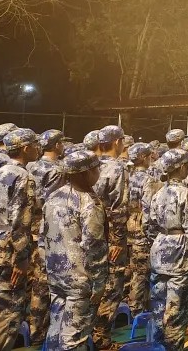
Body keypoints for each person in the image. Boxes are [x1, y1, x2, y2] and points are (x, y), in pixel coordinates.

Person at [0, 127, 39, 351]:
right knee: (7, 312)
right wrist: (21, 257)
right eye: (35, 145)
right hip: (8, 252)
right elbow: (20, 221)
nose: (38, 149)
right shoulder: (23, 176)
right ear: (26, 148)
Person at [44, 149, 107, 351]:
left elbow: (43, 236)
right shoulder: (89, 202)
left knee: (55, 332)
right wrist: (99, 283)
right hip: (79, 278)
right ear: (86, 173)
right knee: (75, 338)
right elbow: (94, 247)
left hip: (56, 275)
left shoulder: (53, 196)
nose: (98, 173)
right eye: (96, 169)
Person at [145, 149, 188, 351]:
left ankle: (158, 346)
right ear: (181, 167)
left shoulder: (158, 193)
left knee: (158, 305)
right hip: (179, 250)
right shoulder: (186, 193)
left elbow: (150, 226)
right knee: (176, 308)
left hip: (160, 247)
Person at [27, 129, 66, 344]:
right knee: (47, 281)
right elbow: (54, 203)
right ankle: (45, 331)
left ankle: (34, 329)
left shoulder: (31, 166)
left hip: (30, 227)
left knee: (36, 282)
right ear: (57, 145)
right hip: (47, 229)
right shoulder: (57, 170)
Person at [92, 125, 129, 351]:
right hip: (108, 235)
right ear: (117, 142)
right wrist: (117, 240)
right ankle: (101, 339)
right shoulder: (117, 168)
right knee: (112, 286)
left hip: (88, 233)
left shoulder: (90, 164)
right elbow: (118, 208)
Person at [125, 142, 154, 316]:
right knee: (141, 271)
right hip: (140, 226)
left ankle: (127, 304)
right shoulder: (147, 179)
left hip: (128, 223)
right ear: (143, 158)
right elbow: (148, 207)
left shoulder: (127, 176)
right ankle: (136, 308)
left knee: (129, 267)